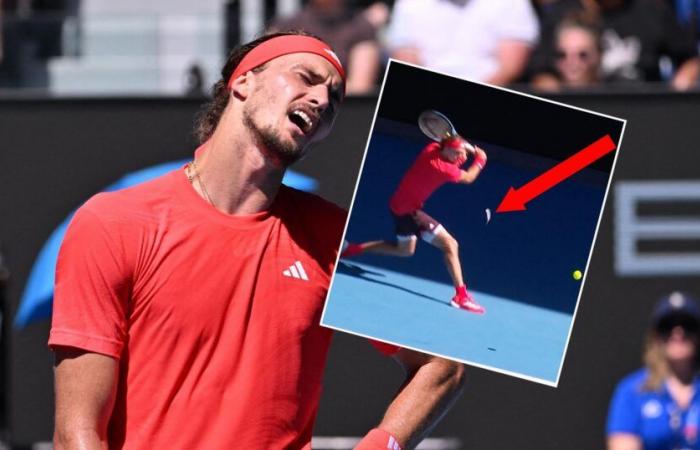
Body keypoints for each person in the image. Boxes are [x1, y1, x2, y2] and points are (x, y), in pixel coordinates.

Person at [49, 31, 466, 450]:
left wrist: (380, 447)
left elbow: (442, 364)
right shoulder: (114, 222)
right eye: (306, 77)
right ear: (243, 82)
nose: (322, 100)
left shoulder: (330, 236)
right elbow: (77, 435)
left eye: (335, 98)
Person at [343, 136, 488, 314]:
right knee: (451, 244)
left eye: (462, 153)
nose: (461, 157)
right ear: (447, 150)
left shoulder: (432, 148)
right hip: (409, 212)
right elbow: (468, 177)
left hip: (398, 206)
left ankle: (350, 249)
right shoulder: (442, 168)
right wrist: (480, 160)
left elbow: (455, 144)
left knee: (405, 250)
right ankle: (461, 296)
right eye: (458, 153)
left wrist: (466, 149)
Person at [529, 0, 700, 90]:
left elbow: (689, 59)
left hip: (642, 110)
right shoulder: (563, 12)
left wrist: (678, 88)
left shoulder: (652, 10)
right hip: (580, 109)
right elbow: (541, 72)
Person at [607, 291, 700, 450]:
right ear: (656, 337)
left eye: (687, 325)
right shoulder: (633, 391)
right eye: (668, 326)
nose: (678, 334)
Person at [385, 0, 539, 86]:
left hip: (492, 95)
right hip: (426, 94)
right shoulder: (409, 4)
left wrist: (468, 97)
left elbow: (510, 67)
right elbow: (407, 64)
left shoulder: (512, 3)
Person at [270, 0, 389, 95]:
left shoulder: (362, 28)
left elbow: (360, 88)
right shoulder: (285, 26)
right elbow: (270, 77)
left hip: (342, 113)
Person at [532, 17, 603, 90]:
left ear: (598, 56)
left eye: (582, 55)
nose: (571, 62)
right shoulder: (544, 90)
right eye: (562, 55)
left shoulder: (612, 94)